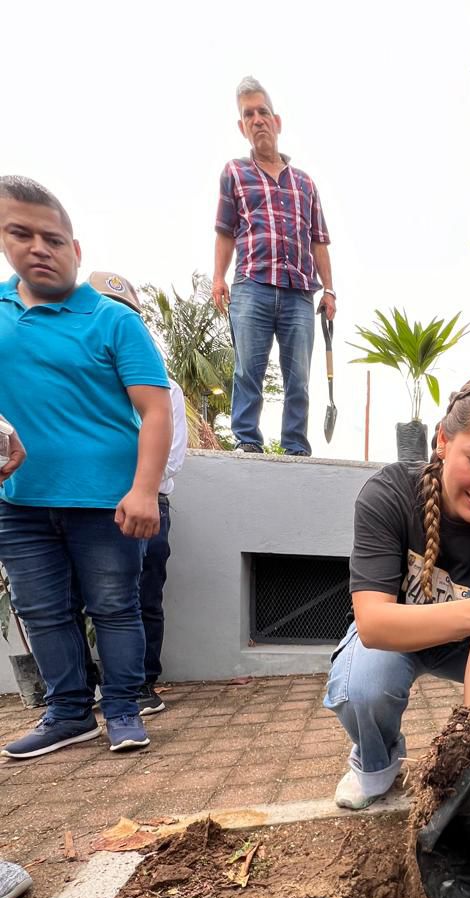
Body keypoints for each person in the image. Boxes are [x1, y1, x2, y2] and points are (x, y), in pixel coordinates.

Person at [324, 369, 470, 810]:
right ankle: (376, 763)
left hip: (469, 647)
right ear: (443, 440)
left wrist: (469, 772)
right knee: (365, 684)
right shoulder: (390, 494)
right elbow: (374, 625)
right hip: (396, 637)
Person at [0, 177, 172, 758]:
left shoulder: (113, 321)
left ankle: (123, 709)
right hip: (20, 499)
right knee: (42, 610)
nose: (38, 248)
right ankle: (67, 711)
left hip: (105, 499)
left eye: (53, 238)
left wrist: (145, 491)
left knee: (115, 607)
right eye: (21, 234)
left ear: (76, 248)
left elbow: (155, 408)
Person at [213, 77, 335, 457]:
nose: (257, 119)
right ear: (242, 126)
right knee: (248, 370)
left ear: (277, 121)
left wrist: (329, 289)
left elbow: (318, 238)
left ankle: (297, 445)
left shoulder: (304, 183)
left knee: (298, 377)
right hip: (253, 285)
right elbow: (225, 230)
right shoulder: (235, 172)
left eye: (263, 112)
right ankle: (247, 439)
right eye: (248, 115)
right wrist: (218, 277)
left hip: (300, 290)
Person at [87, 272, 188, 714]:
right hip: (86, 504)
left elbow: (173, 457)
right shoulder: (76, 385)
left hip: (148, 503)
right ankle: (87, 690)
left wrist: (138, 487)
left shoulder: (168, 388)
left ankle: (142, 684)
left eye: (125, 314)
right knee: (84, 600)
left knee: (143, 596)